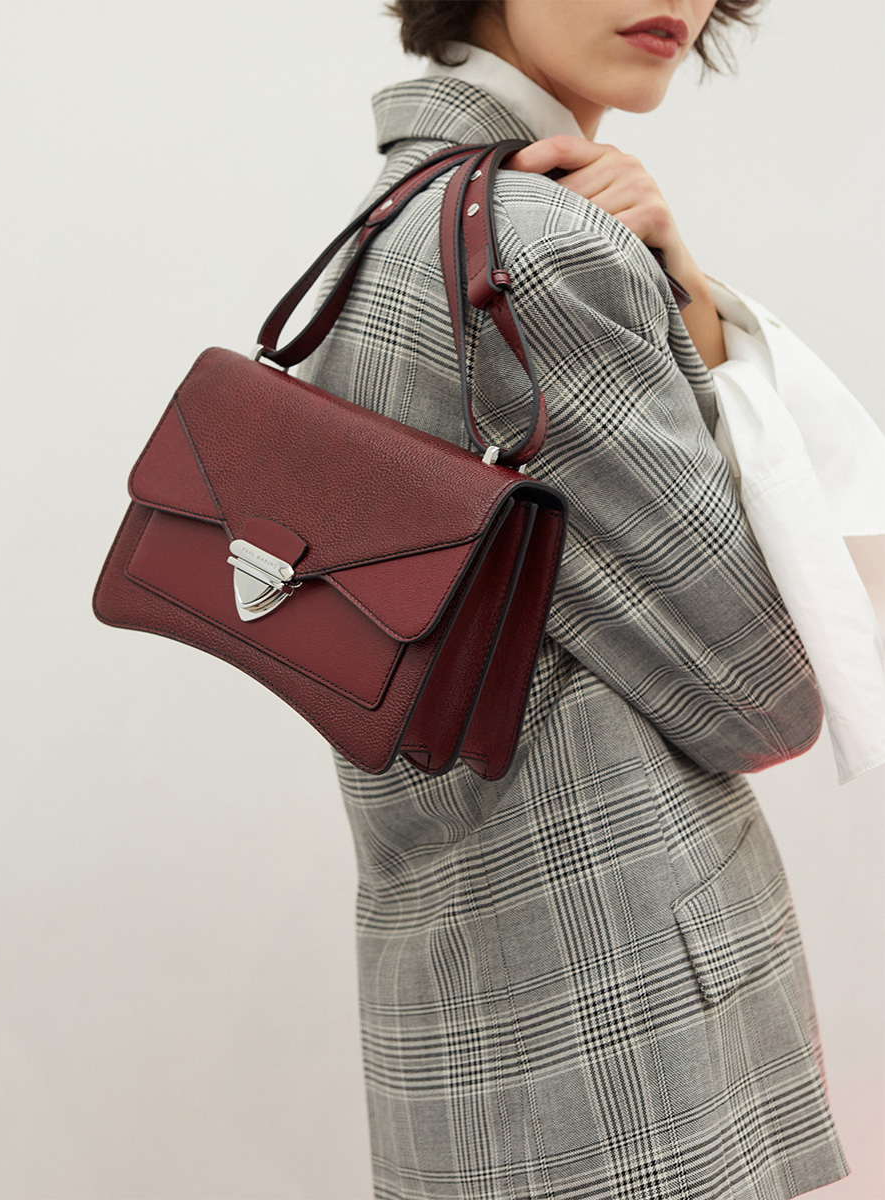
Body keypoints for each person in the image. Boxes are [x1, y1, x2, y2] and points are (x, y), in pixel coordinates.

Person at [296, 2, 866, 1196]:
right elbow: (762, 691)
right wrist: (692, 317)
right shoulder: (537, 244)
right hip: (621, 1026)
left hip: (469, 991)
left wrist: (679, 289)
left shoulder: (394, 215)